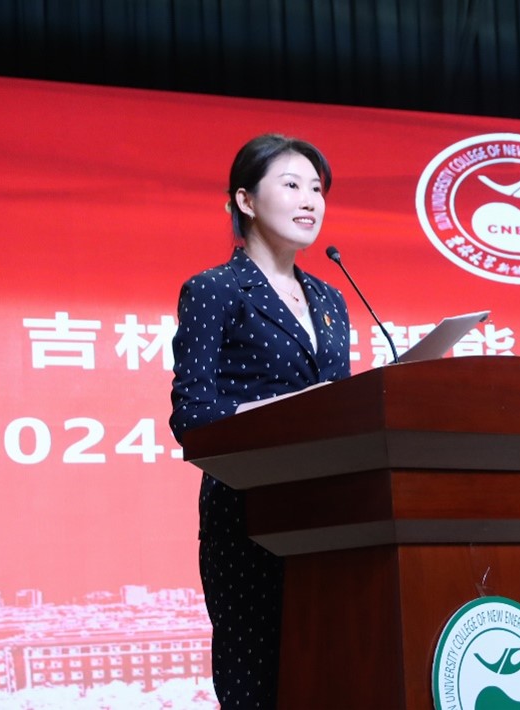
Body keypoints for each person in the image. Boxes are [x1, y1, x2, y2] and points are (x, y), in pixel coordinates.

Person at [168, 134, 352, 709]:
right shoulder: (215, 291)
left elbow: (343, 410)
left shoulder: (331, 299)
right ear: (245, 201)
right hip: (249, 512)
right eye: (292, 185)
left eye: (317, 189)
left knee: (334, 677)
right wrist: (290, 411)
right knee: (259, 682)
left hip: (333, 514)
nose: (310, 200)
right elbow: (193, 416)